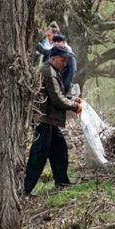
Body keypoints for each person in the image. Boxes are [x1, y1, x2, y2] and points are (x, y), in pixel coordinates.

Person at [23, 46, 83, 196]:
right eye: (63, 60)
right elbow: (56, 99)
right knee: (39, 155)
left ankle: (62, 183)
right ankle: (25, 189)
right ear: (53, 57)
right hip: (44, 120)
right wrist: (75, 106)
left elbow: (56, 95)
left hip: (48, 119)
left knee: (59, 150)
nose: (65, 64)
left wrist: (71, 100)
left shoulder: (50, 70)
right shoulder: (48, 72)